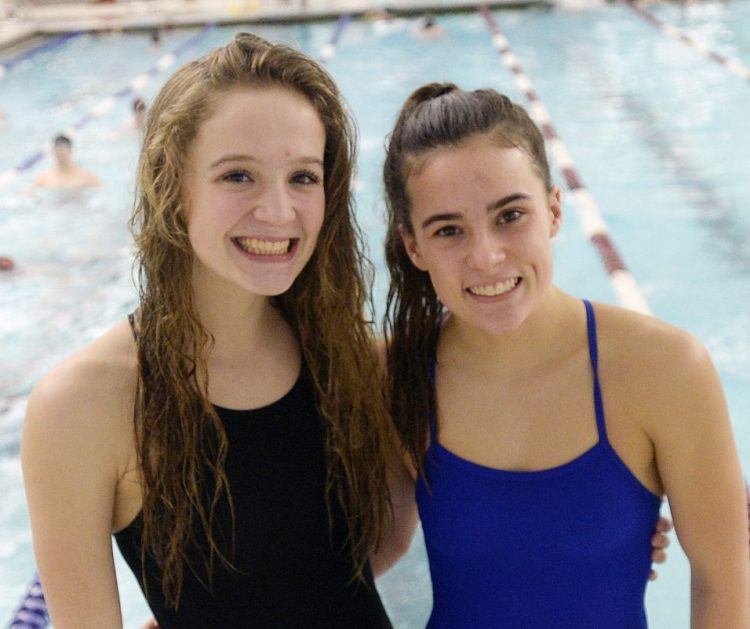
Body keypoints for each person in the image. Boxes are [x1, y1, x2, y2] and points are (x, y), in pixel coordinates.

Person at [21, 33, 412, 628]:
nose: (279, 211)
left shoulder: (350, 358)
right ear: (174, 186)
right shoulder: (84, 406)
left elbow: (370, 553)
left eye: (303, 177)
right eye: (238, 176)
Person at [382, 83, 749, 627]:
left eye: (510, 216)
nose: (486, 257)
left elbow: (724, 582)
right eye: (449, 230)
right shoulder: (394, 373)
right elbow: (354, 558)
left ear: (554, 210)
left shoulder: (664, 370)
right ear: (415, 247)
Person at [25, 134, 101, 193]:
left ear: (71, 152)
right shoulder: (44, 178)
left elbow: (100, 191)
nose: (60, 156)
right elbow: (28, 193)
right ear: (53, 153)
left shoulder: (85, 176)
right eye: (58, 153)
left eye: (63, 153)